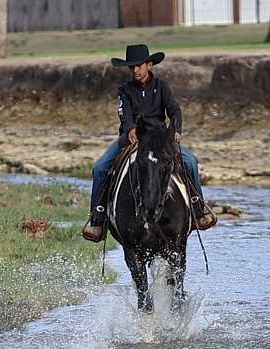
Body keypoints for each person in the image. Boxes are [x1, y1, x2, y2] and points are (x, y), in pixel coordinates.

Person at [83, 44, 216, 242]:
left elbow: (174, 110)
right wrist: (130, 129)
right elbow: (124, 113)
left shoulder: (162, 86)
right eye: (132, 67)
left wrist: (176, 130)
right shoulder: (125, 90)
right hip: (131, 137)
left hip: (159, 138)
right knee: (100, 168)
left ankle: (198, 208)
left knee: (190, 162)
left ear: (149, 65)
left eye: (139, 66)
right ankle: (97, 218)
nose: (135, 70)